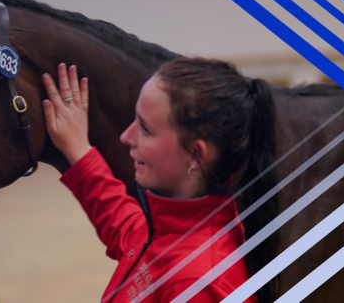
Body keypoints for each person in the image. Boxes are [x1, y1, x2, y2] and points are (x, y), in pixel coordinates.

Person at [41, 58, 277, 302]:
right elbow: (131, 231)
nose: (125, 136)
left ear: (196, 156)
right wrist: (78, 149)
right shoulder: (177, 224)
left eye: (145, 128)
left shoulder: (196, 287)